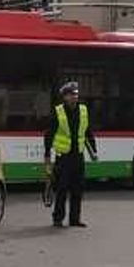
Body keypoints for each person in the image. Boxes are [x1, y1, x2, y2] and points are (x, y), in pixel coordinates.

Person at [43, 81, 98, 228]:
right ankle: (58, 218)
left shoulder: (83, 110)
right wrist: (47, 154)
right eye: (71, 95)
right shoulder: (58, 112)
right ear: (65, 97)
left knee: (78, 189)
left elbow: (88, 132)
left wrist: (94, 149)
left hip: (78, 156)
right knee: (62, 188)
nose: (74, 97)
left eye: (76, 94)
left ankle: (75, 219)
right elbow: (49, 134)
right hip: (63, 157)